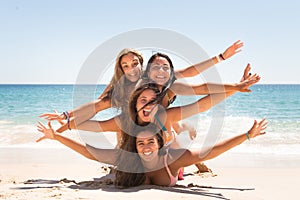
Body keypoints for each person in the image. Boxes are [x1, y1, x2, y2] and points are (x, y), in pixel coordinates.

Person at [36, 119, 268, 187]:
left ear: (158, 144)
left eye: (150, 142)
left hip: (174, 164)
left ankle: (184, 128)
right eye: (140, 144)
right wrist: (56, 136)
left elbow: (212, 152)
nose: (145, 147)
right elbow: (90, 153)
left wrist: (248, 135)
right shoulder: (129, 158)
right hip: (167, 157)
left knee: (186, 141)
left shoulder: (171, 157)